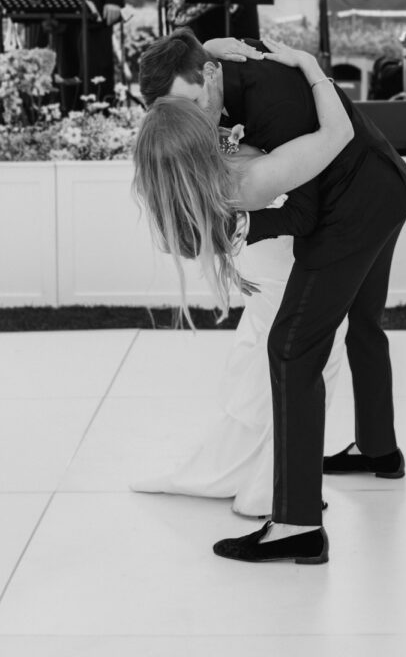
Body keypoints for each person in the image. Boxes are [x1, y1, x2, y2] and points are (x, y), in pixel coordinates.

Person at [137, 29, 406, 566]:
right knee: (362, 325)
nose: (192, 120)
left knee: (292, 348)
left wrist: (238, 229)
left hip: (354, 208)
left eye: (191, 104)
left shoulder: (272, 102)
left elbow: (305, 214)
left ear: (210, 77)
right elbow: (204, 55)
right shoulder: (214, 72)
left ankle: (296, 523)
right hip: (386, 186)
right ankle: (380, 451)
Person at [130, 120, 348, 520]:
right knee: (313, 362)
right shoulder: (245, 169)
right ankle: (268, 491)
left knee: (264, 361)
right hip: (281, 266)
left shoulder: (195, 181)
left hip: (259, 267)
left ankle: (240, 471)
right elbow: (307, 192)